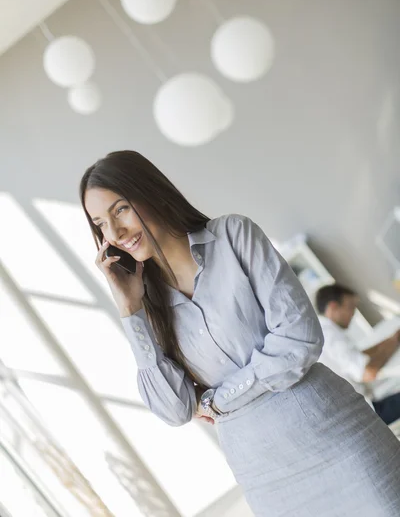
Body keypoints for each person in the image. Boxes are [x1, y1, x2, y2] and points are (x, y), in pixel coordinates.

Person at [80, 150, 400, 517]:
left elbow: (299, 341)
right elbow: (174, 409)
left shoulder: (233, 235)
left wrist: (220, 399)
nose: (115, 233)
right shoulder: (146, 304)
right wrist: (129, 311)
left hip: (335, 437)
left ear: (150, 191)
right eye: (100, 224)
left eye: (120, 209)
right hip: (263, 476)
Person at [316, 283, 400, 425]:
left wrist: (393, 339)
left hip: (359, 411)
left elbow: (359, 356)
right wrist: (394, 341)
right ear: (333, 307)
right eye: (350, 307)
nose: (353, 313)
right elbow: (367, 372)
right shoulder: (330, 336)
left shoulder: (323, 331)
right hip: (368, 414)